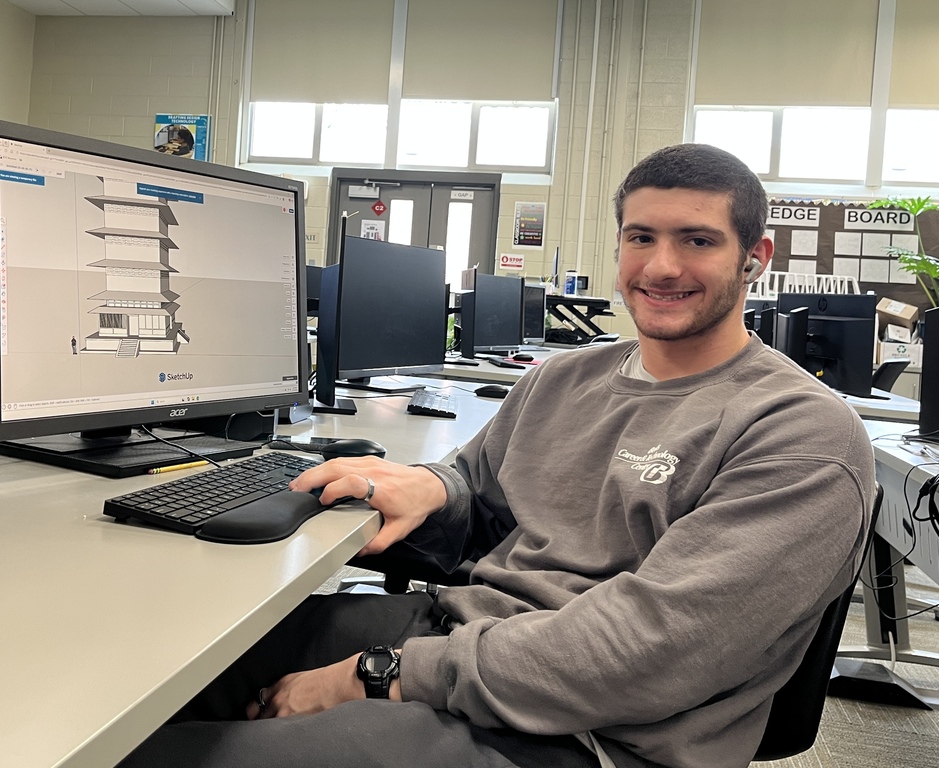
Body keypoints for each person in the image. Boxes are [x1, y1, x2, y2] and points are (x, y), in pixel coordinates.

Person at [119, 144, 876, 768]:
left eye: (698, 240)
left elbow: (651, 652)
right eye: (642, 237)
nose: (662, 266)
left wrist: (376, 676)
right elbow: (477, 488)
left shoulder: (800, 432)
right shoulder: (567, 379)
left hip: (594, 732)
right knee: (152, 667)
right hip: (464, 635)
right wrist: (432, 489)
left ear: (756, 256)